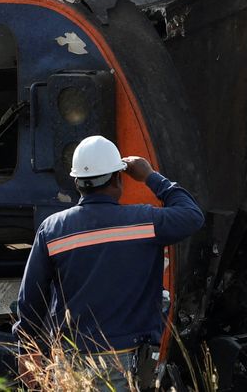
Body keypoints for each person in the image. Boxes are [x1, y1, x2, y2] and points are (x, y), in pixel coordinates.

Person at [14, 135, 203, 390]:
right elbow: (192, 216)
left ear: (77, 182)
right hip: (126, 361)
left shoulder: (52, 230)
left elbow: (31, 299)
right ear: (117, 178)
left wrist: (27, 351)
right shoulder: (144, 222)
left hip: (68, 362)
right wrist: (150, 176)